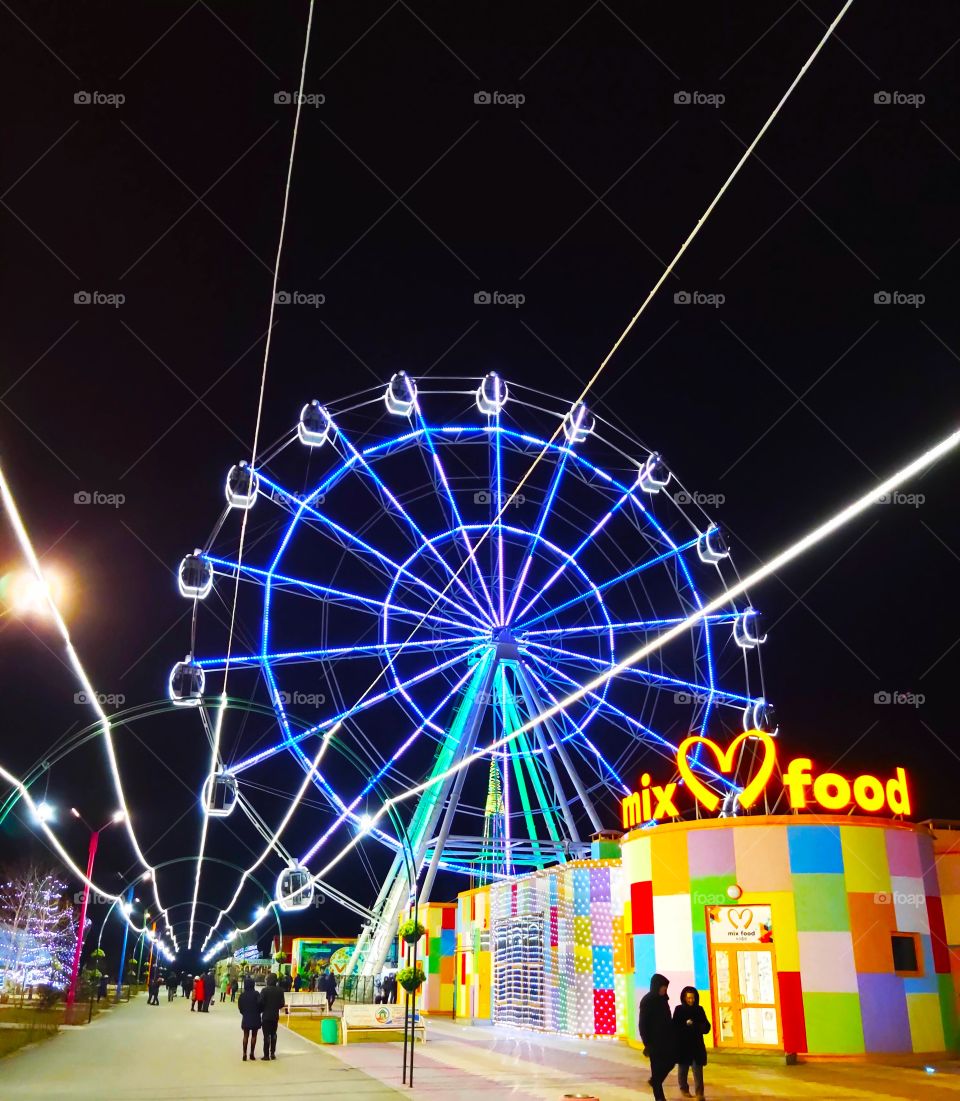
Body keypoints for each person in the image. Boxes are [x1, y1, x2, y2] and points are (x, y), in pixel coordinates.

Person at [638, 973, 675, 1101]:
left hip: (666, 1040)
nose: (665, 989)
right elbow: (643, 1024)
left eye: (666, 987)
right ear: (657, 986)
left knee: (671, 1061)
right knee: (656, 1068)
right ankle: (659, 1098)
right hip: (654, 1042)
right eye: (663, 987)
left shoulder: (664, 1000)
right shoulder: (648, 1001)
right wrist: (647, 1043)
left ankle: (655, 1081)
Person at [673, 986, 710, 1100]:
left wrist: (696, 1026)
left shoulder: (699, 1010)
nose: (691, 1000)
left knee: (697, 1071)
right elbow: (674, 1027)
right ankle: (684, 1089)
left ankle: (699, 1093)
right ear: (684, 998)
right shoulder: (679, 1010)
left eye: (693, 998)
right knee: (683, 1070)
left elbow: (706, 1027)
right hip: (683, 1046)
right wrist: (685, 1025)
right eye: (688, 998)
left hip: (696, 1046)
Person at [259, 972, 286, 1060]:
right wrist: (276, 1006)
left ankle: (266, 1055)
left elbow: (260, 1003)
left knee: (266, 1035)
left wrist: (262, 1009)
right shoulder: (280, 990)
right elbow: (282, 1004)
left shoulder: (264, 990)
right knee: (274, 1034)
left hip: (266, 1016)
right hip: (275, 1016)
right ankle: (272, 1053)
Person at [237, 976, 262, 1061]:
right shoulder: (256, 994)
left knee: (245, 1035)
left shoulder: (242, 995)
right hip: (255, 1017)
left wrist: (244, 1013)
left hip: (246, 1017)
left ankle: (244, 1054)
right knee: (254, 1035)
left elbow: (240, 1007)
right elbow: (260, 1004)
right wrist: (258, 1011)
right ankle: (252, 1054)